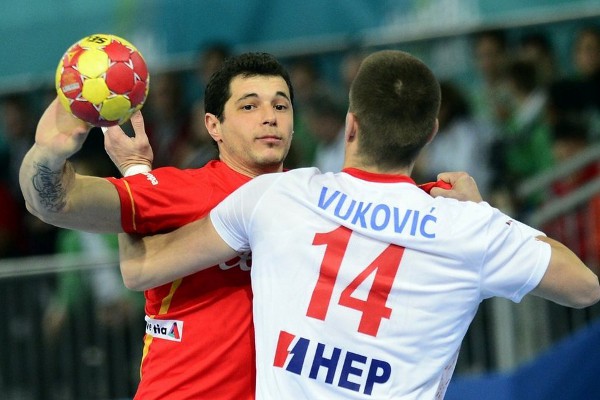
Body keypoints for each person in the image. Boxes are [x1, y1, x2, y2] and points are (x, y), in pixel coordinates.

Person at [118, 50, 600, 399]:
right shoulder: (466, 228)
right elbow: (584, 287)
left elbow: (144, 267)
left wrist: (136, 171)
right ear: (429, 134)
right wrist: (483, 212)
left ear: (351, 125)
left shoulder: (280, 195)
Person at [19, 52, 295, 399]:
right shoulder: (179, 190)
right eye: (249, 107)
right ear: (213, 126)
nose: (270, 118)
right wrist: (49, 153)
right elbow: (53, 203)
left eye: (281, 107)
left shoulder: (321, 201)